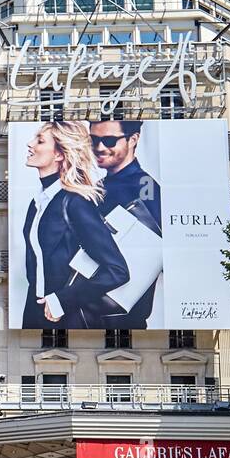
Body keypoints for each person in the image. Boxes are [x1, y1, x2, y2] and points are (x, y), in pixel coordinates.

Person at [21, 120, 130, 330]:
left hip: (66, 317)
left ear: (59, 154)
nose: (30, 144)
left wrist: (62, 300)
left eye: (40, 141)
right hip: (34, 313)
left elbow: (117, 271)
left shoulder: (74, 202)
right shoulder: (37, 204)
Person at [89, 119, 163, 330]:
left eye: (110, 140)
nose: (99, 148)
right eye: (93, 140)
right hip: (86, 308)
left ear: (133, 140)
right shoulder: (96, 188)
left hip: (122, 314)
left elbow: (157, 250)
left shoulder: (144, 185)